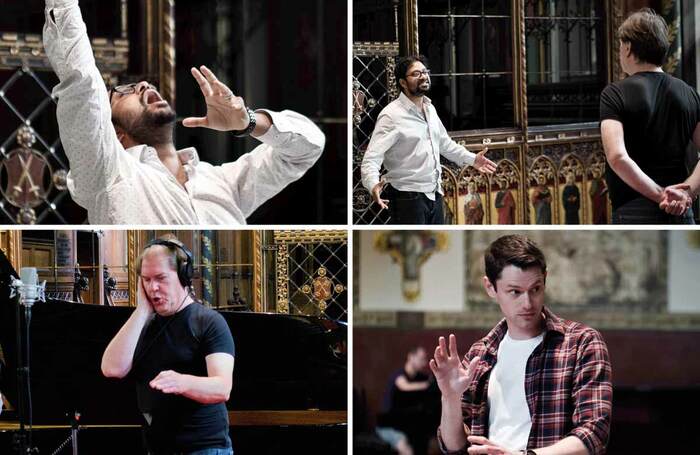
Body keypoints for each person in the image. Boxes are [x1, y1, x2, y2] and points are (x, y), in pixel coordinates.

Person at [43, 0, 324, 225]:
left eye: (142, 83)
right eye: (124, 91)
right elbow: (81, 82)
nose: (142, 84)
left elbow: (308, 148)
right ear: (114, 132)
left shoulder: (221, 182)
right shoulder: (109, 174)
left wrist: (249, 121)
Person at [430, 235, 612, 455]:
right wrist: (449, 398)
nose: (527, 303)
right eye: (515, 292)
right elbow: (454, 447)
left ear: (545, 279)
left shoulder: (581, 343)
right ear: (490, 287)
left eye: (535, 289)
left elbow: (594, 433)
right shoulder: (481, 353)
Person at [101, 237, 235, 455]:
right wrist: (142, 311)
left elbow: (222, 388)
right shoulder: (142, 324)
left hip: (203, 447)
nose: (153, 287)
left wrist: (181, 382)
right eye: (146, 279)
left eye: (161, 278)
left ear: (183, 276)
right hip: (157, 446)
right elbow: (112, 369)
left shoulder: (209, 322)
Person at [360, 55, 496, 224]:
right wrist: (372, 184)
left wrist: (473, 159)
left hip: (434, 193)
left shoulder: (429, 108)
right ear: (403, 82)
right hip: (407, 197)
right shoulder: (391, 115)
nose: (423, 76)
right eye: (416, 74)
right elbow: (371, 158)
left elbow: (445, 144)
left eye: (425, 72)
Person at [600, 8, 700, 224]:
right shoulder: (689, 93)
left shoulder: (614, 93)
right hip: (681, 214)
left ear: (627, 48)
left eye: (619, 48)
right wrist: (685, 194)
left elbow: (617, 157)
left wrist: (661, 195)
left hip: (634, 210)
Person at [378, 347, 437, 455]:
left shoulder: (420, 377)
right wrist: (428, 385)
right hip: (388, 427)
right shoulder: (399, 375)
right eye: (421, 359)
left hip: (406, 425)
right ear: (410, 356)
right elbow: (405, 386)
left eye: (425, 359)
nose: (424, 363)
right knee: (406, 449)